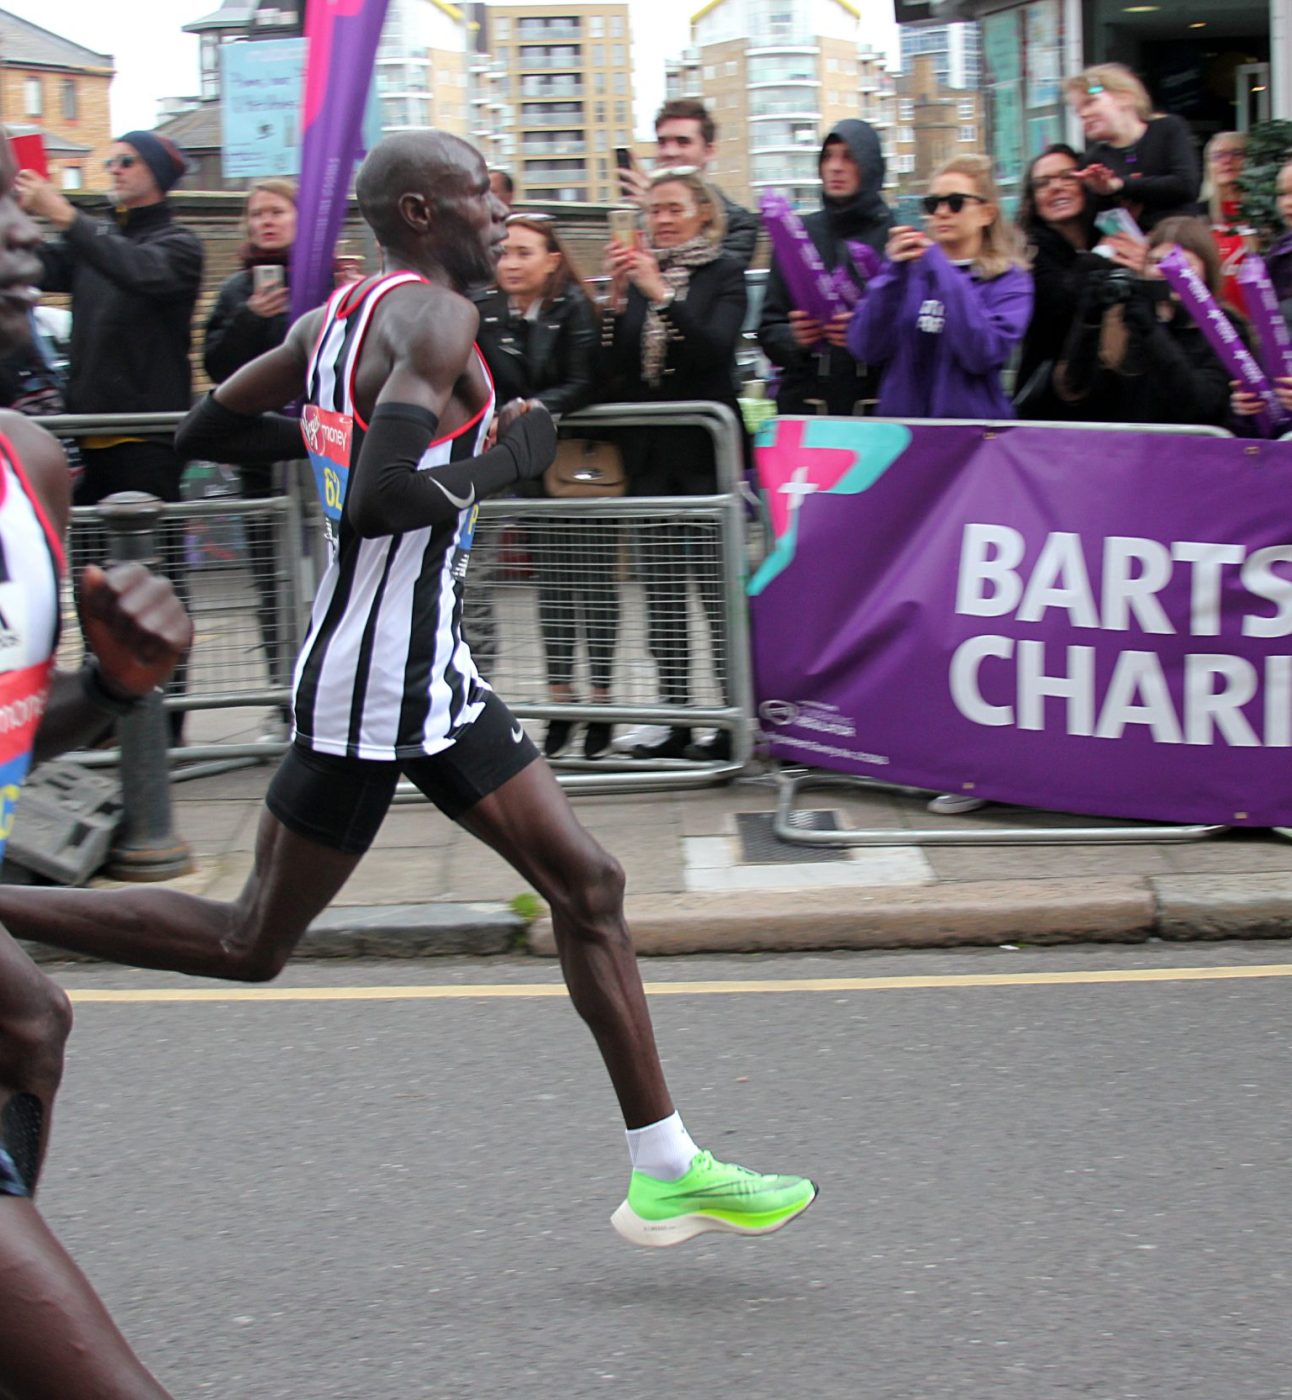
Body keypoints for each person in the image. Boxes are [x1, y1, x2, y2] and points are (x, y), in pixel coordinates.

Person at [0, 130, 816, 1249]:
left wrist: (333, 441)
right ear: (423, 213)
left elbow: (211, 426)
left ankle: (664, 1165)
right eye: (482, 191)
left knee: (588, 883)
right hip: (378, 685)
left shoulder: (330, 317)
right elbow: (384, 498)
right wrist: (502, 466)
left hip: (430, 667)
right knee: (252, 941)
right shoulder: (434, 318)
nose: (501, 206)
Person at [0, 130, 192, 1400]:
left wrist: (110, 686)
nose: (21, 248)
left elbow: (11, 739)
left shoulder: (35, 465)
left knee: (29, 1021)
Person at [16, 128, 202, 743]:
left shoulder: (178, 244)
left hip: (143, 444)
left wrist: (65, 215)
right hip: (87, 441)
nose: (113, 169)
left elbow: (140, 272)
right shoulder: (97, 240)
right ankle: (106, 720)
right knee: (93, 590)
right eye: (111, 160)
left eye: (126, 161)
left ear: (155, 173)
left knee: (155, 583)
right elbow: (38, 264)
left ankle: (163, 729)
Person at [601, 166, 747, 762]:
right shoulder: (635, 277)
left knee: (716, 601)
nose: (659, 220)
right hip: (652, 460)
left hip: (704, 460)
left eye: (672, 208)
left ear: (703, 214)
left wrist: (663, 296)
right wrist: (613, 303)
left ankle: (731, 719)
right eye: (652, 210)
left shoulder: (724, 274)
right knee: (661, 602)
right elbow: (615, 371)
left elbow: (716, 351)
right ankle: (677, 717)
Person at [474, 212, 612, 759]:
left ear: (552, 259)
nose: (510, 262)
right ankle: (560, 703)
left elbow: (584, 381)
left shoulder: (574, 308)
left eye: (524, 252)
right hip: (526, 468)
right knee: (552, 587)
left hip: (579, 465)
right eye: (504, 252)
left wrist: (540, 406)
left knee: (594, 584)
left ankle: (602, 705)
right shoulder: (485, 311)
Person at [204, 178, 299, 735]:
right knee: (273, 582)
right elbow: (218, 366)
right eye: (256, 213)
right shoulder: (238, 291)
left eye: (277, 211)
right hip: (262, 455)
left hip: (324, 451)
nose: (264, 221)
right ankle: (282, 696)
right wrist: (251, 318)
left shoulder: (327, 278)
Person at [846, 154, 1033, 420]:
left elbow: (981, 353)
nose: (942, 212)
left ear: (987, 213)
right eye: (933, 204)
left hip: (972, 442)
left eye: (956, 203)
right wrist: (893, 276)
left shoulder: (1010, 279)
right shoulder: (910, 273)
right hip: (907, 437)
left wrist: (939, 266)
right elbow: (866, 348)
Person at [1055, 214, 1245, 429]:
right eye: (1155, 261)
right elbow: (1077, 390)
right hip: (1133, 452)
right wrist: (1089, 321)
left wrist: (1151, 332)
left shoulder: (1225, 327)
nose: (1164, 270)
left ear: (1206, 271)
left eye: (1179, 261)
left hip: (1196, 453)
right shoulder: (1128, 320)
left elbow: (1202, 405)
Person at [757, 120, 892, 417]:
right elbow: (768, 328)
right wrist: (794, 338)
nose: (835, 167)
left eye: (848, 157)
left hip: (877, 409)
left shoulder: (896, 237)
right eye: (828, 157)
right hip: (809, 410)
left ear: (870, 166)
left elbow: (915, 333)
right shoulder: (798, 234)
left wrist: (866, 332)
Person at [618, 99, 759, 270]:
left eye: (683, 142)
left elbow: (717, 280)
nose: (670, 152)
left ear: (708, 151)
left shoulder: (739, 223)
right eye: (662, 143)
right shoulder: (639, 219)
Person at [1013, 143, 1099, 420]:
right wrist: (1102, 257)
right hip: (1051, 403)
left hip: (1108, 396)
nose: (1056, 187)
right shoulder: (1028, 252)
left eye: (1067, 177)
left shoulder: (1107, 235)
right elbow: (1059, 303)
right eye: (1043, 183)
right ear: (1033, 199)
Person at [1065, 63, 1201, 235]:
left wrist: (1120, 185)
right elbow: (1093, 226)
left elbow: (1186, 186)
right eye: (1078, 111)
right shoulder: (1092, 161)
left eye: (1091, 102)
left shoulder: (1168, 128)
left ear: (1125, 97)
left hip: (1181, 243)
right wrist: (1101, 193)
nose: (1083, 114)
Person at [1201, 133, 1256, 314]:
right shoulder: (1199, 217)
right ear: (1209, 166)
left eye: (1236, 153)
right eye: (1218, 156)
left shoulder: (1263, 214)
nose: (1227, 160)